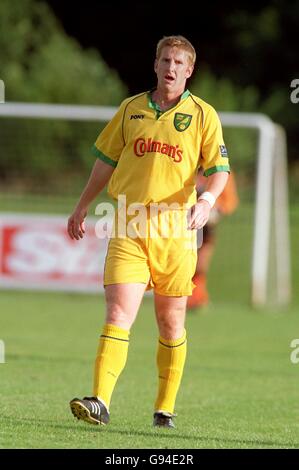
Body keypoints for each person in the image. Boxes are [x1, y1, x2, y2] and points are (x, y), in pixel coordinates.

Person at [67, 35, 230, 428]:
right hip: (129, 224)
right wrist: (83, 203)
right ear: (155, 65)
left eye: (179, 62)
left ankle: (164, 409)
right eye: (165, 60)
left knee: (171, 323)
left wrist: (207, 202)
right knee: (119, 312)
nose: (171, 68)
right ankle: (100, 401)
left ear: (189, 70)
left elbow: (219, 171)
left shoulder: (204, 115)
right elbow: (105, 161)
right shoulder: (130, 109)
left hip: (176, 231)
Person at [187, 170, 239, 309]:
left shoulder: (222, 171)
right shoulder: (189, 166)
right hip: (181, 226)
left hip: (207, 229)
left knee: (200, 265)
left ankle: (197, 298)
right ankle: (186, 298)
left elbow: (230, 203)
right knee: (183, 263)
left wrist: (214, 209)